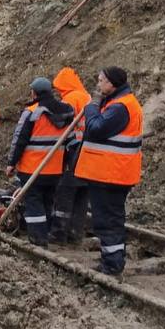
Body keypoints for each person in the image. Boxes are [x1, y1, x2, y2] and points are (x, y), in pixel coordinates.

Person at [74, 67, 143, 276]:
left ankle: (112, 265)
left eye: (101, 80)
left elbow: (96, 129)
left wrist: (92, 107)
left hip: (112, 174)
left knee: (108, 220)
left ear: (112, 83)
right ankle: (110, 259)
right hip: (108, 173)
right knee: (106, 218)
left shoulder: (120, 107)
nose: (98, 84)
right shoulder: (116, 103)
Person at [6, 78, 75, 247]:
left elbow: (19, 140)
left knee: (34, 202)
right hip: (55, 168)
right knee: (48, 201)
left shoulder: (32, 112)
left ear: (35, 93)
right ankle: (46, 231)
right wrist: (66, 163)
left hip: (32, 168)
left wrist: (11, 163)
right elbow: (71, 142)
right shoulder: (67, 112)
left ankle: (38, 238)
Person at [52, 67, 92, 243]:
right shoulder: (88, 97)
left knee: (65, 191)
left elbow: (60, 121)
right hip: (90, 151)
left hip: (73, 151)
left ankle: (59, 232)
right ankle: (76, 232)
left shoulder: (70, 99)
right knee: (82, 193)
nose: (58, 92)